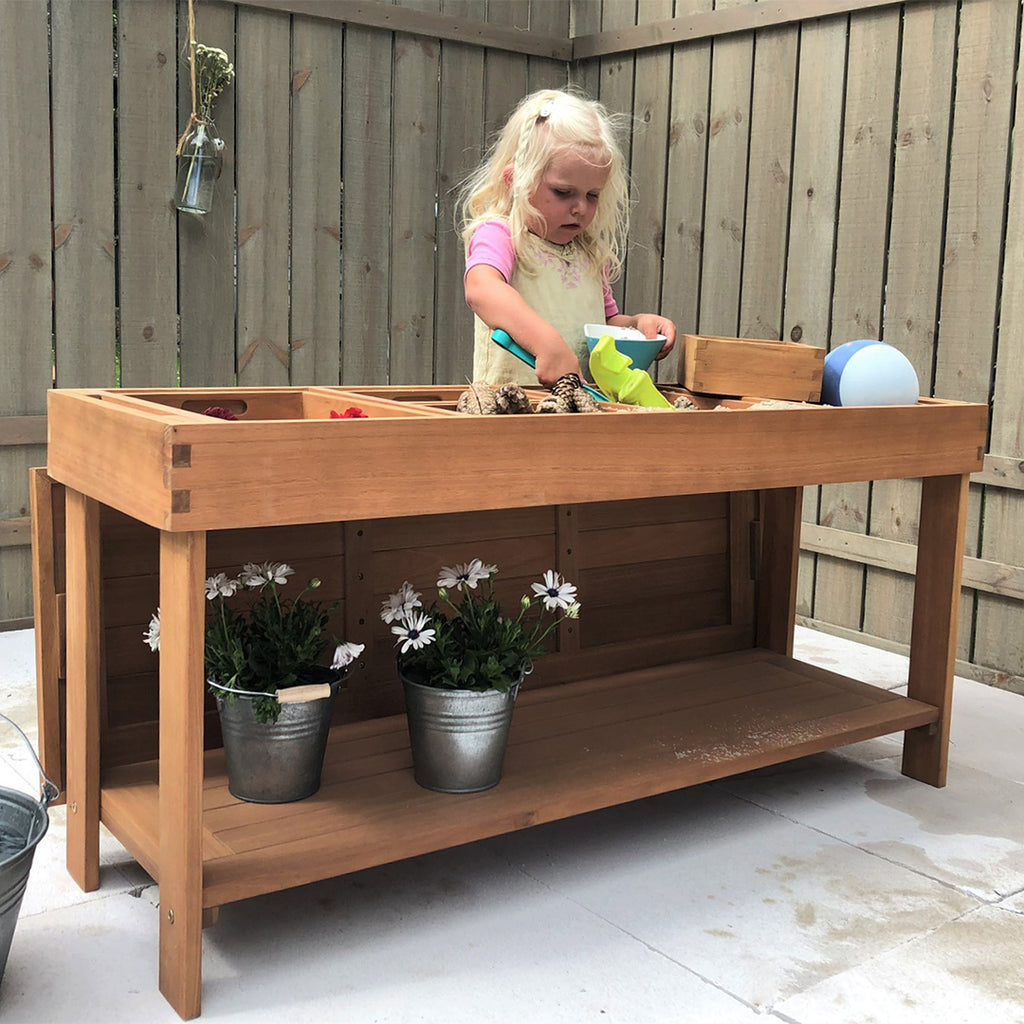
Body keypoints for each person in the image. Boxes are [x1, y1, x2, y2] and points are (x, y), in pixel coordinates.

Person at [458, 88, 677, 388]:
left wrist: (637, 326)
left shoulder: (587, 253)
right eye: (563, 192)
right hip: (511, 414)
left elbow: (602, 326)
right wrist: (544, 342)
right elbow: (482, 289)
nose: (580, 208)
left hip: (578, 414)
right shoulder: (502, 234)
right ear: (515, 182)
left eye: (592, 195)